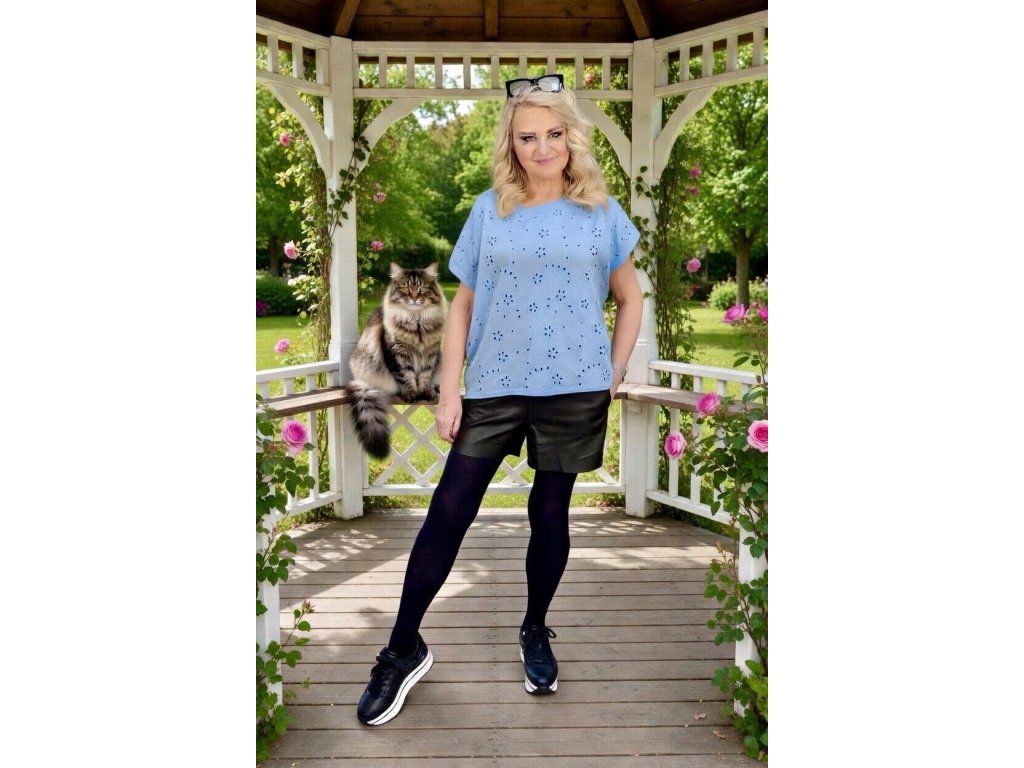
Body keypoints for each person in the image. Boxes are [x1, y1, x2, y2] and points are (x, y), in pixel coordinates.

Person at [357, 73, 644, 726]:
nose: (542, 148)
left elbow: (631, 298)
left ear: (572, 137)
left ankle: (535, 627)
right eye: (527, 137)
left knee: (551, 514)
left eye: (554, 134)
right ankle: (402, 648)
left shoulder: (603, 213)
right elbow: (462, 306)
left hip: (574, 389)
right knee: (448, 512)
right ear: (510, 145)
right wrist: (451, 388)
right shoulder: (491, 210)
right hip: (494, 385)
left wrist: (614, 368)